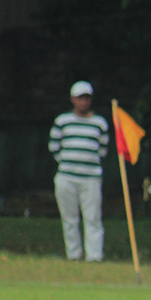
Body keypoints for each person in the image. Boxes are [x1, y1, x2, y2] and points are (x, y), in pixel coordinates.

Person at [49, 80, 109, 262]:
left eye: (87, 98)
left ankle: (94, 256)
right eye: (80, 98)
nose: (84, 102)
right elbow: (54, 147)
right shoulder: (62, 121)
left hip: (91, 178)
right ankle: (74, 255)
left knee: (93, 217)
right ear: (73, 99)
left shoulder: (99, 122)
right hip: (66, 177)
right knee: (70, 218)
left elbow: (102, 150)